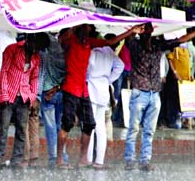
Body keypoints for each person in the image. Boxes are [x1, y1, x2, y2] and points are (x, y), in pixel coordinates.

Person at [56, 24, 142, 169]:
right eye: (85, 27)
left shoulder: (91, 43)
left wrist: (129, 32)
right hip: (72, 87)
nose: (87, 30)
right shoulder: (71, 40)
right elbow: (61, 39)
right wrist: (77, 22)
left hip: (85, 89)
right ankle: (60, 160)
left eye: (89, 28)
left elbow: (110, 42)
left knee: (90, 124)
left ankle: (84, 159)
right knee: (68, 124)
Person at [124, 23, 195, 171]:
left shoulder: (158, 46)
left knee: (149, 130)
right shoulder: (135, 45)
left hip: (154, 93)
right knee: (134, 129)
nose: (147, 32)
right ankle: (130, 160)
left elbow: (181, 40)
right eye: (144, 29)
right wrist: (132, 31)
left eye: (149, 29)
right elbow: (127, 39)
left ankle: (144, 160)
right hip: (140, 92)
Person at [0, 33, 49, 169]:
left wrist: (32, 96)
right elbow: (4, 71)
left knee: (21, 130)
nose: (36, 50)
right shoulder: (12, 49)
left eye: (39, 48)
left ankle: (16, 160)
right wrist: (4, 94)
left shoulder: (36, 58)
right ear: (29, 40)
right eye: (35, 46)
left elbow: (35, 78)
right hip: (9, 95)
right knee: (3, 128)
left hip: (24, 97)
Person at [86, 34, 124, 170]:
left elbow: (89, 66)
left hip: (91, 87)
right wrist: (109, 79)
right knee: (100, 125)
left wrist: (88, 77)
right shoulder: (109, 52)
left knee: (89, 126)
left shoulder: (94, 51)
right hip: (103, 89)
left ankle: (89, 158)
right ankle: (99, 160)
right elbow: (120, 65)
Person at [39, 31, 69, 167]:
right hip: (61, 92)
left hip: (47, 93)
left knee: (50, 127)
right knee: (59, 126)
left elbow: (41, 75)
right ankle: (63, 156)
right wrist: (57, 87)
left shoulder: (43, 55)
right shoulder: (63, 53)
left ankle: (54, 157)